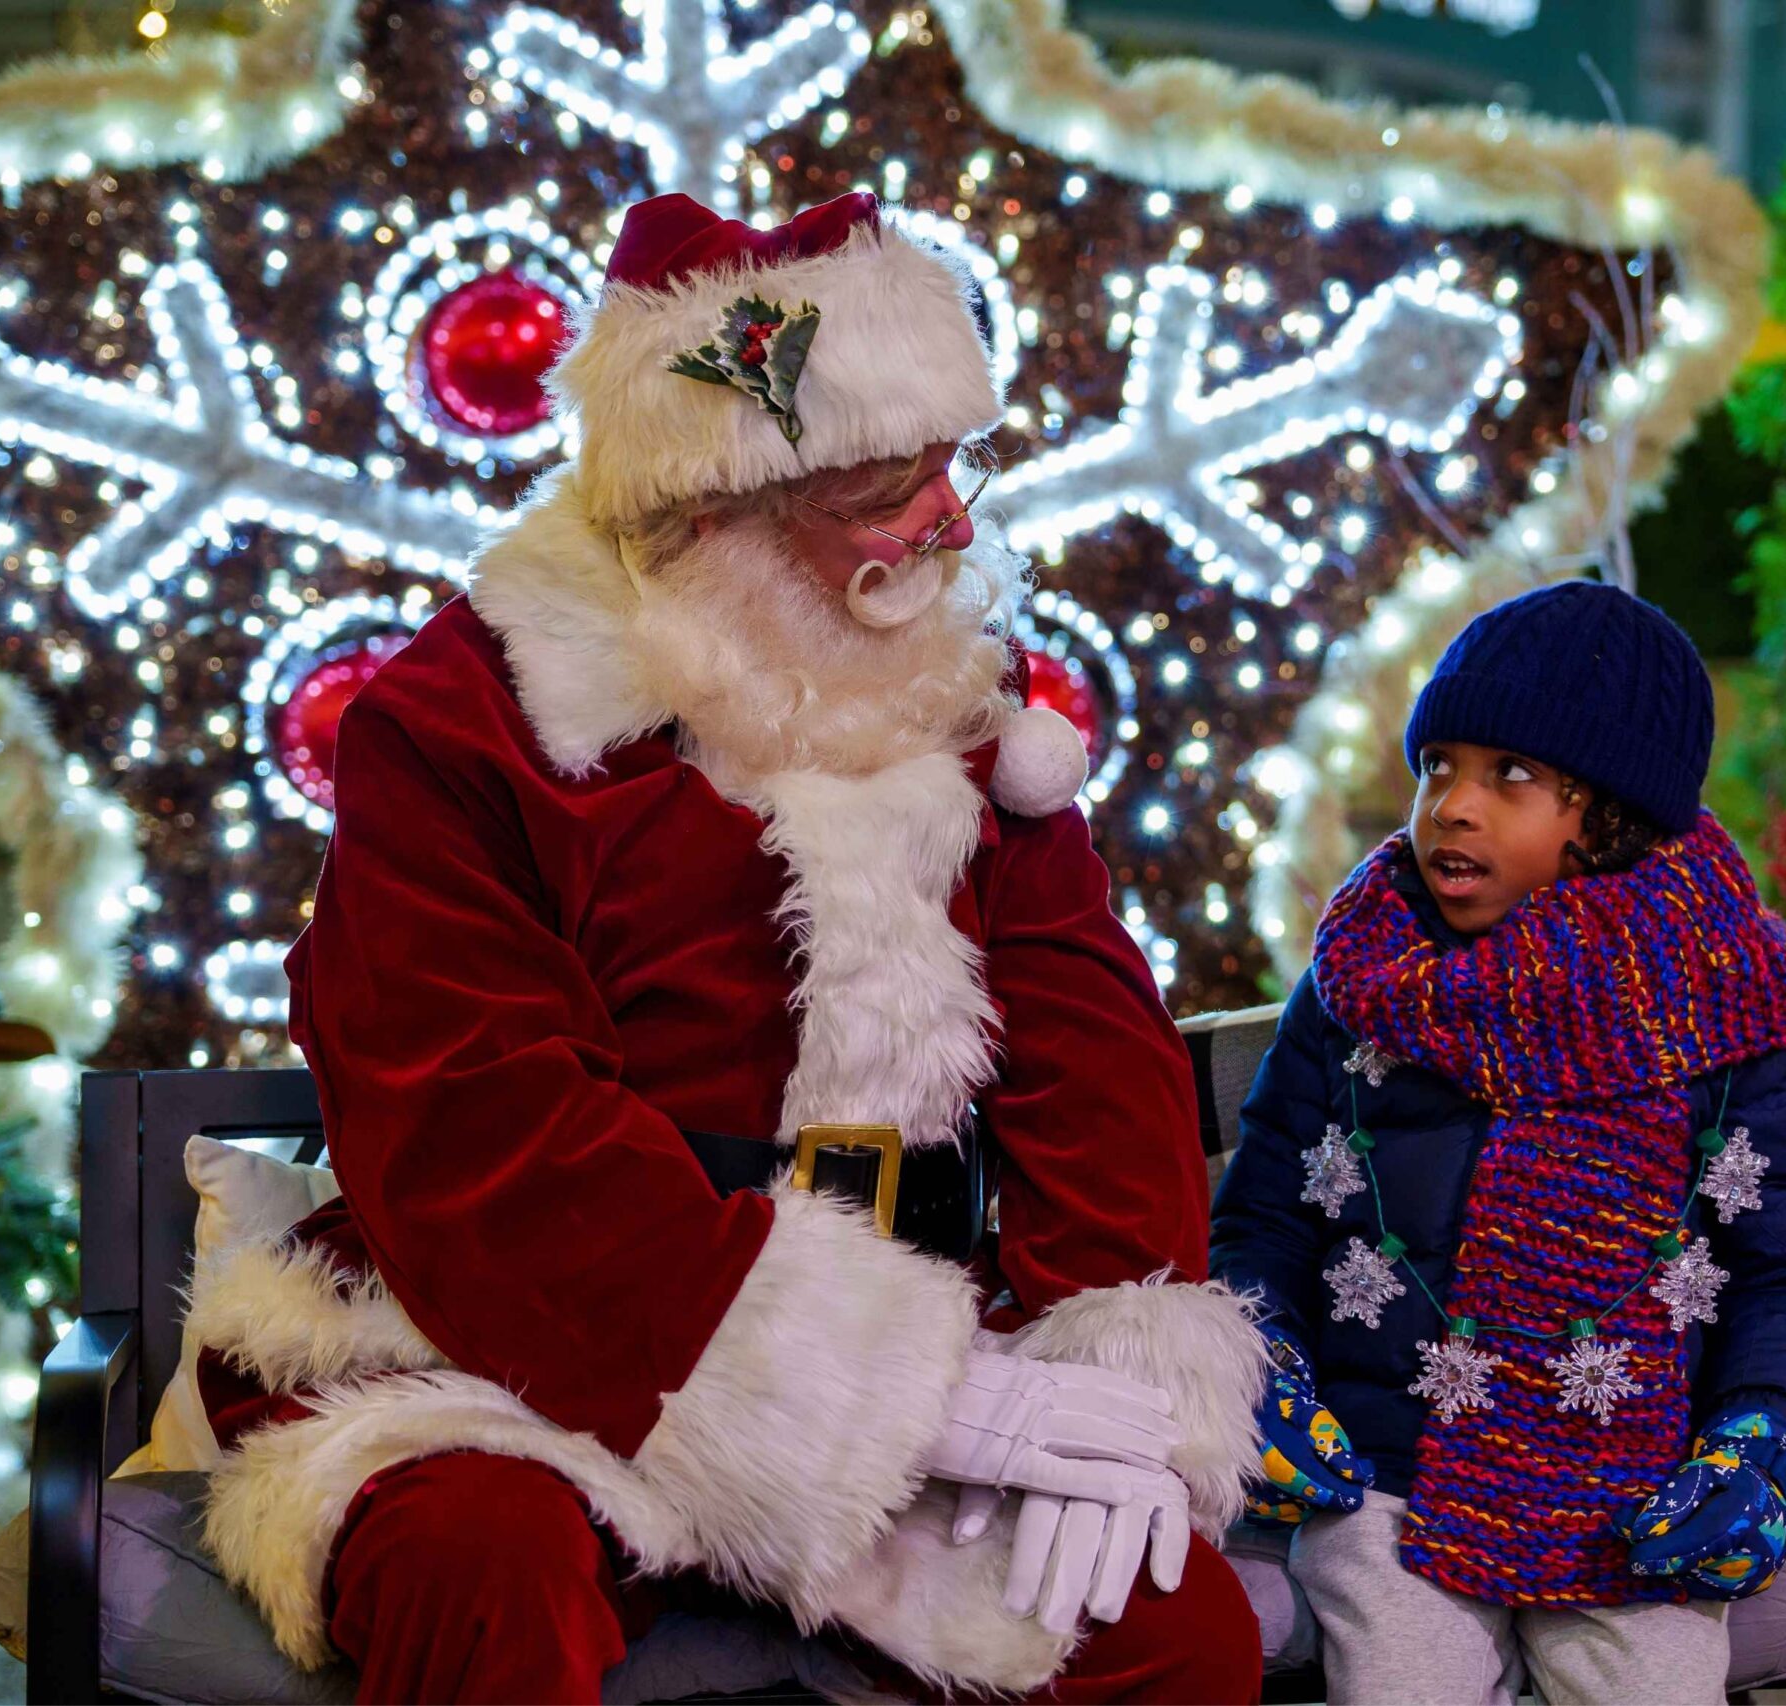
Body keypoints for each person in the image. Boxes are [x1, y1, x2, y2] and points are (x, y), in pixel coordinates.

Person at [177, 189, 1268, 1703]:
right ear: (715, 513)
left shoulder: (955, 689)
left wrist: (1107, 1374)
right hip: (508, 1353)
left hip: (931, 1352)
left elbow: (1093, 1047)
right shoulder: (460, 724)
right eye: (885, 490)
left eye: (952, 468)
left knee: (1172, 1635)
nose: (946, 524)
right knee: (477, 1570)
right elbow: (479, 1130)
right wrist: (873, 1393)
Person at [1210, 581, 1786, 1705]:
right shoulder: (1362, 980)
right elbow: (1262, 1213)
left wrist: (1764, 1429)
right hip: (1386, 1475)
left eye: (1507, 775)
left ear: (1606, 813)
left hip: (1636, 1482)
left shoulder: (1724, 996)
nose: (1452, 806)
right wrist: (1253, 1355)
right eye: (1437, 766)